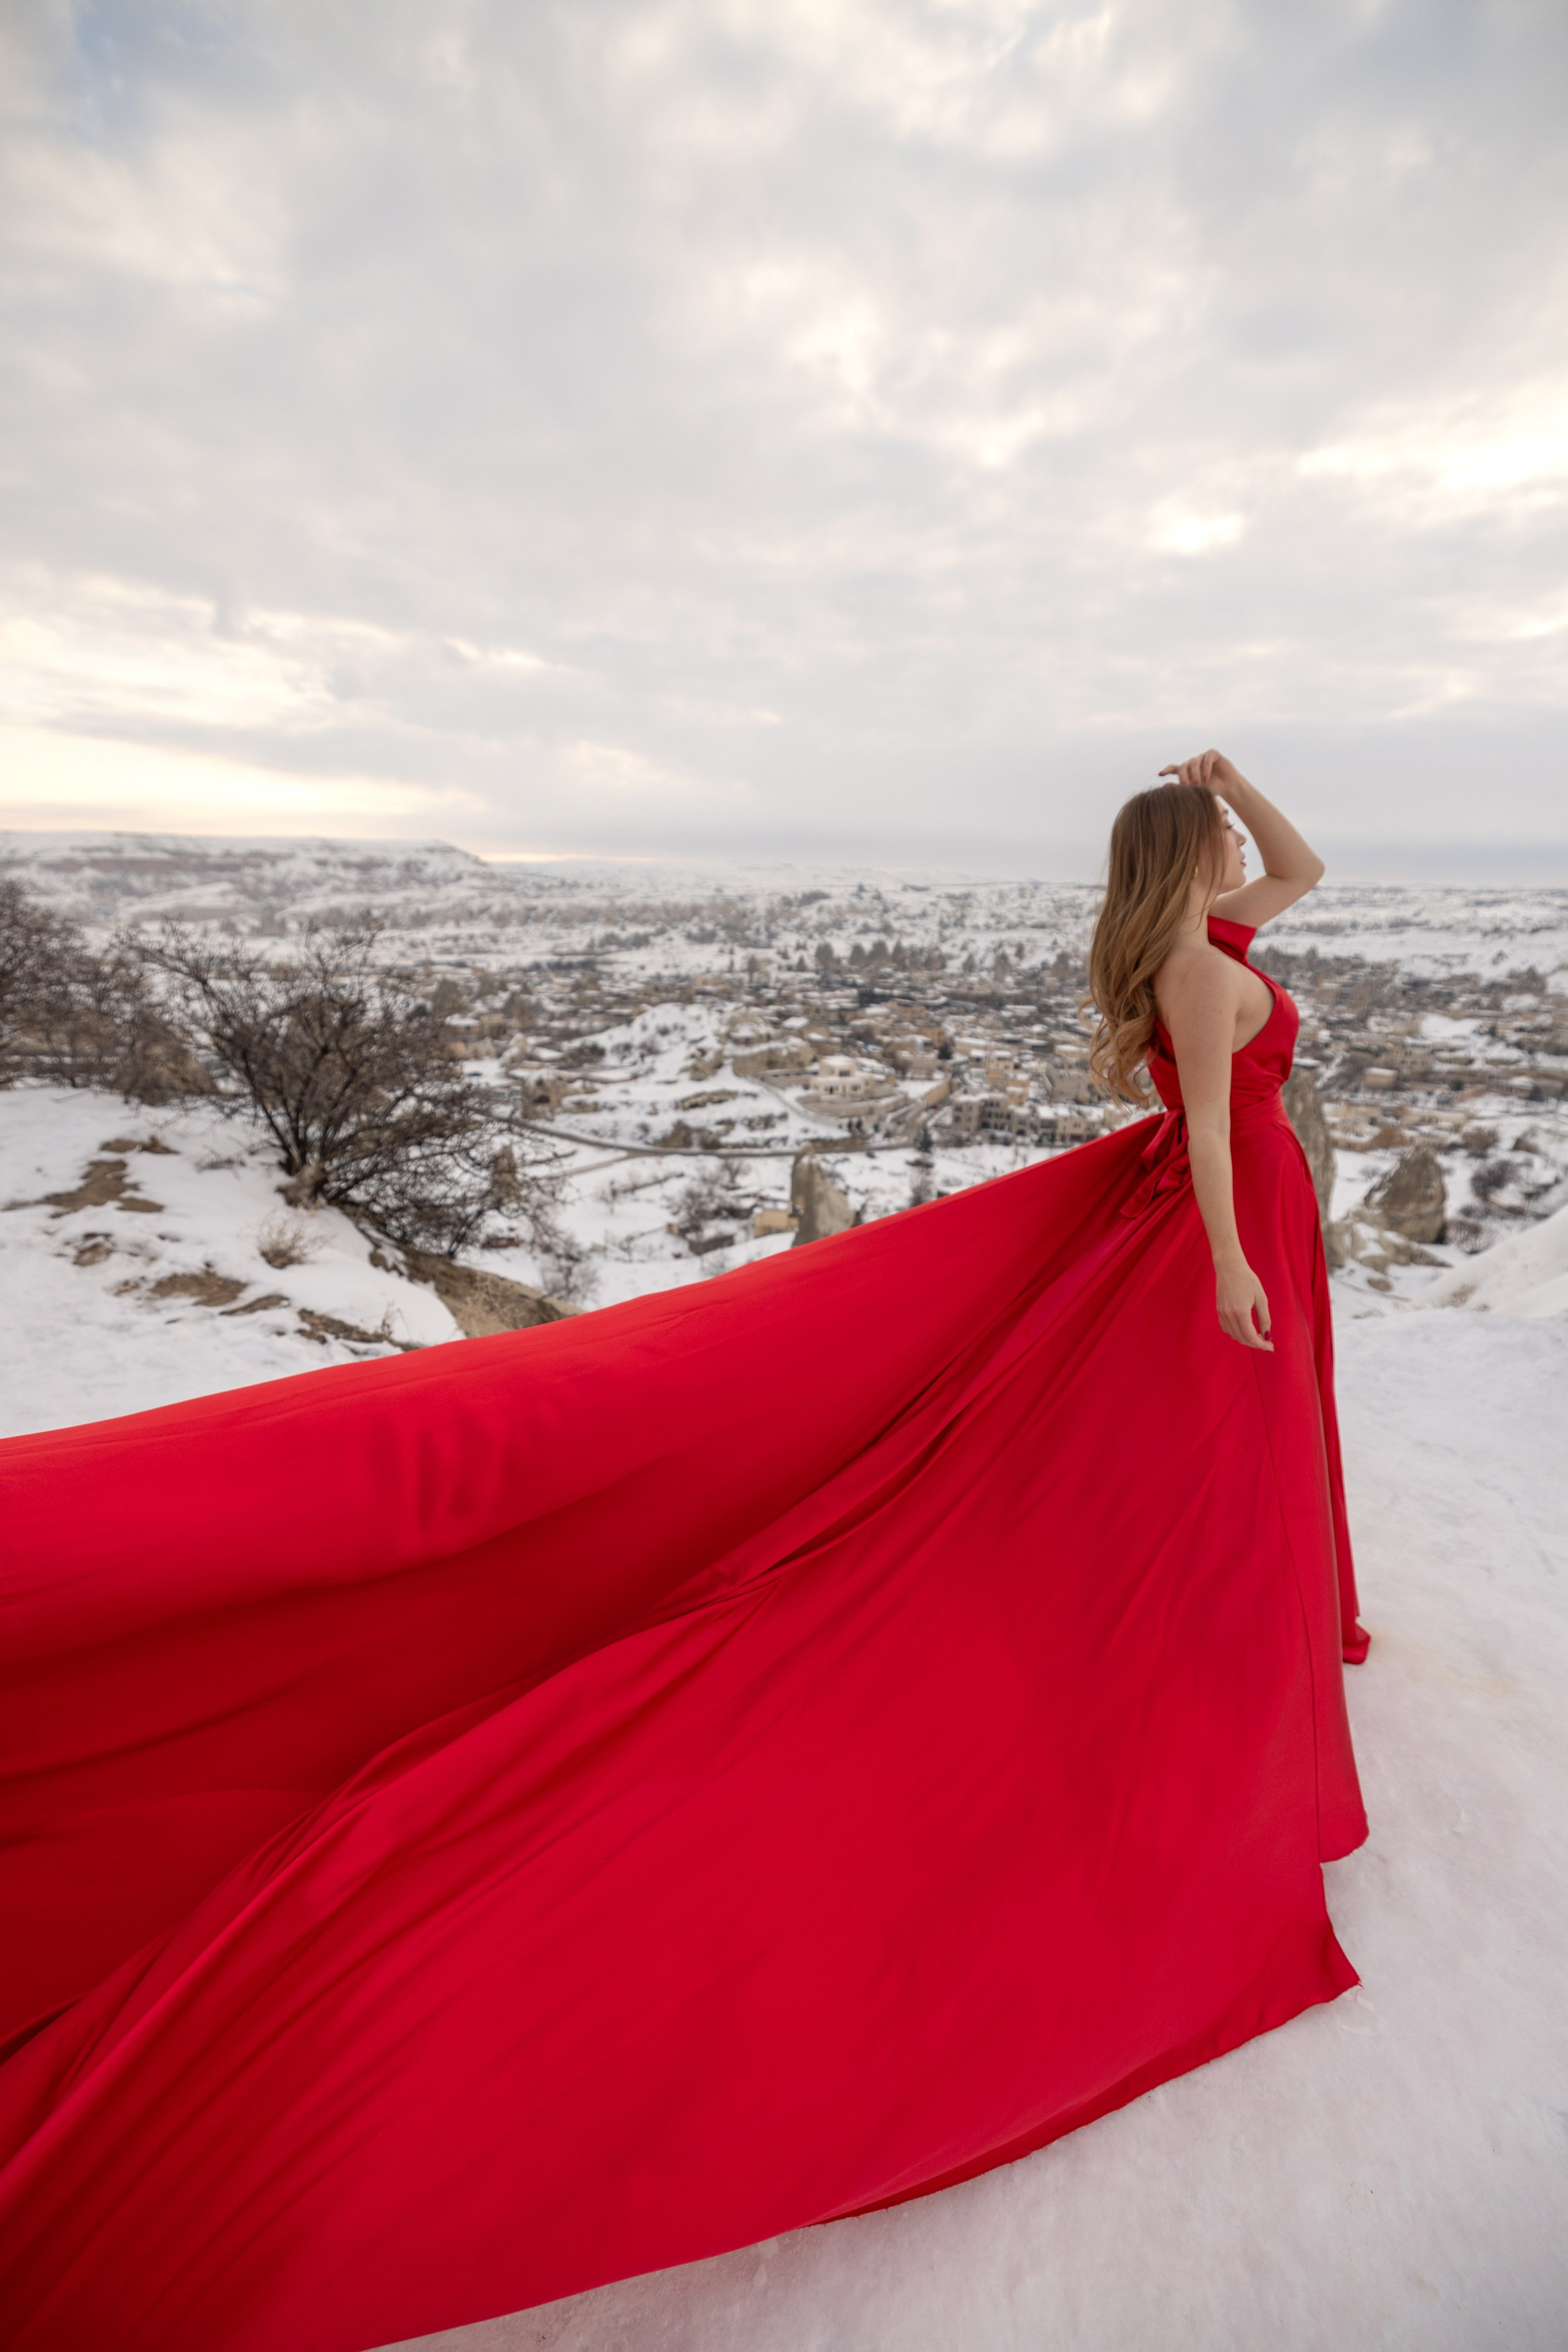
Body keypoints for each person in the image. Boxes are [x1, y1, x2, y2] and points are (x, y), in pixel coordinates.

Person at [0, 759, 1367, 2352]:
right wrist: (1222, 1265)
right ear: (1171, 866)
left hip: (1239, 1213)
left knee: (1244, 1450)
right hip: (1227, 1222)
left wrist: (1233, 786)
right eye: (1209, 839)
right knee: (1199, 1459)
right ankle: (1233, 1631)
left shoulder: (1212, 934)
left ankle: (1274, 1616)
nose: (1234, 853)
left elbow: (1311, 865)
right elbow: (1207, 1131)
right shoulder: (1202, 971)